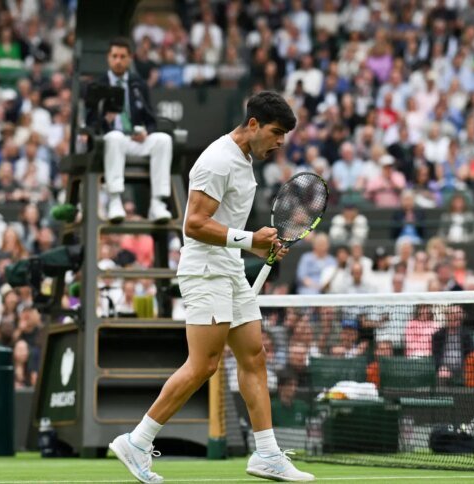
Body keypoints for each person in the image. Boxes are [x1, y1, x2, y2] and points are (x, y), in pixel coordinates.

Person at [108, 92, 314, 482]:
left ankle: (267, 454)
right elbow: (194, 224)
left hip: (229, 267)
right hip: (205, 270)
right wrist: (250, 239)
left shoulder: (245, 158)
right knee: (203, 364)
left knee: (254, 356)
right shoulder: (218, 160)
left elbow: (227, 226)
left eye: (284, 135)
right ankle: (137, 441)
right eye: (276, 132)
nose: (280, 142)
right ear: (252, 124)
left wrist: (257, 245)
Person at [86, 38, 173, 224]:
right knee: (115, 137)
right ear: (108, 58)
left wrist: (146, 132)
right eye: (114, 56)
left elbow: (151, 119)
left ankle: (157, 203)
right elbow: (89, 123)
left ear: (130, 58)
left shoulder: (138, 84)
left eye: (122, 56)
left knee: (163, 140)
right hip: (109, 143)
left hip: (134, 140)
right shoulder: (97, 85)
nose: (118, 60)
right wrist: (105, 120)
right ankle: (115, 200)